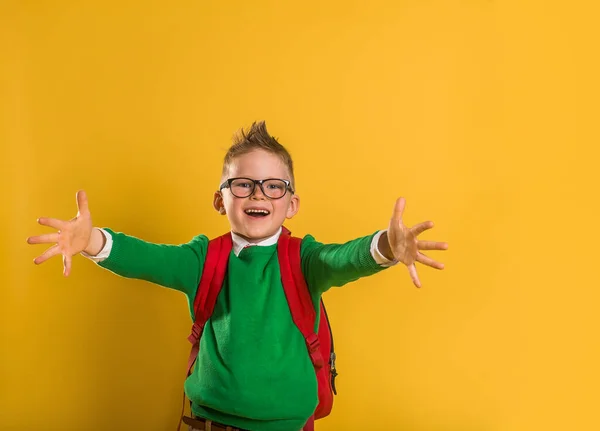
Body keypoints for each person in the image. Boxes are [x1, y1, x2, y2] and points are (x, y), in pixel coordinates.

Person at [27, 121, 448, 431]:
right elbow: (146, 257)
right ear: (220, 199)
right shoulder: (204, 259)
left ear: (292, 203)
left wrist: (386, 247)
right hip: (209, 424)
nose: (258, 194)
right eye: (243, 185)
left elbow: (345, 259)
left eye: (273, 186)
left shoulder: (303, 259)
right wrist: (92, 240)